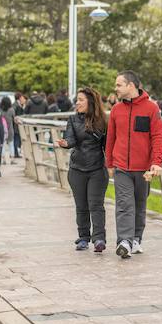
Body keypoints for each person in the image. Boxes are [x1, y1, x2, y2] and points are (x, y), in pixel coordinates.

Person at [104, 70, 162, 259]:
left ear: (131, 86)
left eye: (119, 85)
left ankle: (136, 238)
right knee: (124, 204)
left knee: (139, 205)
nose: (116, 89)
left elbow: (157, 137)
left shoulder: (151, 109)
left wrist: (156, 162)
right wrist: (110, 163)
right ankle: (124, 241)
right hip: (121, 167)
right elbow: (111, 138)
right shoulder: (116, 110)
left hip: (144, 169)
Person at [57, 87, 108, 253]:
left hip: (97, 169)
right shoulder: (72, 120)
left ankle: (99, 238)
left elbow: (108, 145)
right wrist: (65, 143)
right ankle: (84, 238)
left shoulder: (103, 121)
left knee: (96, 205)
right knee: (81, 205)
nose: (77, 103)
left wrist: (113, 163)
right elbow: (70, 139)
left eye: (80, 100)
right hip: (77, 168)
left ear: (90, 102)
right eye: (76, 100)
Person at [0, 96, 16, 165]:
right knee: (11, 145)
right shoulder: (12, 110)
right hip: (10, 129)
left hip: (2, 130)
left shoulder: (0, 110)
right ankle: (12, 159)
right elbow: (14, 119)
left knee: (3, 145)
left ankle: (3, 160)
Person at [13, 92, 25, 158]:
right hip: (16, 125)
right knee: (17, 139)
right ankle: (16, 153)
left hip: (17, 125)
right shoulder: (16, 105)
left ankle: (17, 152)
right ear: (19, 97)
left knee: (17, 139)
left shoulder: (18, 104)